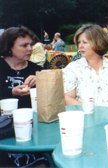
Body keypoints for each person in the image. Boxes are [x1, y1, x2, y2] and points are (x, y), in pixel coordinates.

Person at [0, 26, 49, 167]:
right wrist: (11, 93)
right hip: (3, 133)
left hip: (34, 133)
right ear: (9, 47)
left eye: (31, 44)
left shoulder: (37, 70)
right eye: (24, 45)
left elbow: (53, 98)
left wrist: (42, 80)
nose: (30, 48)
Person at [62, 24, 108, 110]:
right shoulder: (73, 69)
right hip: (87, 119)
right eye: (79, 42)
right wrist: (88, 111)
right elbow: (67, 98)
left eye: (84, 42)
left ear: (98, 43)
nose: (80, 46)